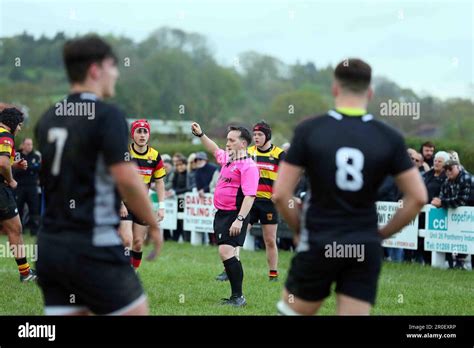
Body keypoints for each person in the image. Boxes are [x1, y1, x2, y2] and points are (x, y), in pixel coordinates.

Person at [273, 58, 427, 315]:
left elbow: (280, 193)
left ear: (335, 88)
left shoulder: (310, 129)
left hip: (319, 239)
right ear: (370, 92)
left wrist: (300, 228)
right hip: (363, 244)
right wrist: (380, 235)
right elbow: (418, 197)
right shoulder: (388, 136)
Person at [35, 35, 162, 315]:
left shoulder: (48, 117)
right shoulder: (107, 115)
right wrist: (153, 222)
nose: (116, 73)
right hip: (92, 243)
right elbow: (127, 179)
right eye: (112, 66)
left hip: (50, 246)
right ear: (95, 70)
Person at [191, 121, 259, 307]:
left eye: (231, 140)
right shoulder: (229, 159)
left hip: (234, 215)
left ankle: (239, 297)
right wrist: (201, 134)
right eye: (227, 140)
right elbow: (215, 149)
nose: (227, 143)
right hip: (222, 214)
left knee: (226, 251)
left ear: (243, 143)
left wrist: (239, 219)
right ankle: (236, 297)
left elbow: (250, 196)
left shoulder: (248, 166)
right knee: (225, 253)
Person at [119, 119, 166, 267]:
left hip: (141, 205)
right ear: (133, 135)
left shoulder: (155, 156)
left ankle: (134, 273)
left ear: (149, 135)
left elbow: (159, 182)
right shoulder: (125, 153)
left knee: (138, 244)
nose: (142, 135)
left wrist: (161, 206)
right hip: (124, 202)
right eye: (138, 131)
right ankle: (124, 274)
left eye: (145, 131)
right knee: (127, 240)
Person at [0, 106, 37, 282]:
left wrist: (14, 164)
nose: (20, 128)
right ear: (13, 123)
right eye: (20, 125)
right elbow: (2, 164)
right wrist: (11, 179)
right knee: (16, 229)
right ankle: (25, 274)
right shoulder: (5, 136)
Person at [431, 159, 473, 270]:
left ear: (458, 167)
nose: (448, 171)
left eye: (451, 169)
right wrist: (439, 201)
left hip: (469, 215)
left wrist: (442, 203)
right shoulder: (447, 181)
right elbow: (442, 196)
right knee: (459, 238)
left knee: (469, 240)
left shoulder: (466, 178)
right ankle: (457, 264)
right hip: (462, 217)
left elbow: (461, 201)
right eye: (446, 170)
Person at [13, 138, 41, 236]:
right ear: (23, 145)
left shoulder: (36, 156)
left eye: (31, 144)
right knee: (18, 208)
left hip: (32, 186)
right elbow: (16, 170)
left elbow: (38, 168)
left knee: (34, 208)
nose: (29, 146)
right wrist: (31, 167)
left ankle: (34, 231)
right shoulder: (17, 155)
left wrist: (25, 167)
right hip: (20, 186)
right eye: (27, 144)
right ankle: (19, 230)